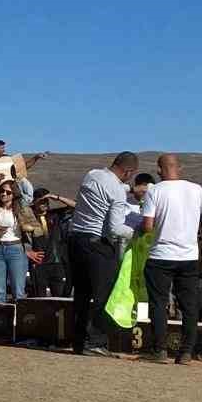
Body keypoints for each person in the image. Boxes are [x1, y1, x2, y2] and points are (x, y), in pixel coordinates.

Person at [139, 154, 202, 364]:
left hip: (160, 255)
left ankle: (160, 351)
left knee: (158, 303)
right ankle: (185, 353)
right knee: (189, 305)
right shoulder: (196, 189)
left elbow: (147, 226)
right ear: (180, 168)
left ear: (158, 170)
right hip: (189, 256)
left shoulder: (154, 190)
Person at [68, 152, 139, 357]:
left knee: (81, 294)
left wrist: (131, 189)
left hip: (75, 240)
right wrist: (138, 232)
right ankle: (95, 342)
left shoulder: (92, 175)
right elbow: (116, 228)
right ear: (128, 171)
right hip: (97, 244)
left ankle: (79, 342)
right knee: (103, 294)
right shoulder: (117, 191)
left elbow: (108, 187)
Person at [0, 180, 39, 303]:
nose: (4, 194)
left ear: (14, 194)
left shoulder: (23, 210)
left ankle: (18, 320)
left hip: (16, 249)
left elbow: (38, 230)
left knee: (18, 291)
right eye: (2, 191)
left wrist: (27, 228)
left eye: (8, 192)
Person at [28, 189, 75, 298]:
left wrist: (56, 197)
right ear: (35, 202)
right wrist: (27, 252)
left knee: (59, 298)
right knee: (39, 298)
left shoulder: (55, 214)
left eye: (46, 201)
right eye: (41, 201)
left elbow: (76, 206)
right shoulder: (28, 217)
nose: (44, 204)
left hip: (56, 262)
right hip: (39, 263)